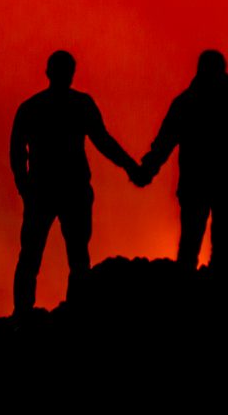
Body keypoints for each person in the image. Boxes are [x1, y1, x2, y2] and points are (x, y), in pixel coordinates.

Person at [10, 50, 140, 316]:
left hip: (48, 190)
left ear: (49, 72)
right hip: (69, 190)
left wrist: (24, 185)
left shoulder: (32, 107)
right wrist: (130, 166)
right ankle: (73, 313)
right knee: (73, 255)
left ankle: (26, 313)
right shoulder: (79, 104)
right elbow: (102, 140)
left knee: (36, 255)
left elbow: (16, 150)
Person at [134, 50, 228, 273]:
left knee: (191, 248)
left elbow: (165, 141)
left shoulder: (187, 102)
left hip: (197, 184)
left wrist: (148, 170)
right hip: (225, 183)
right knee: (220, 248)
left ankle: (188, 293)